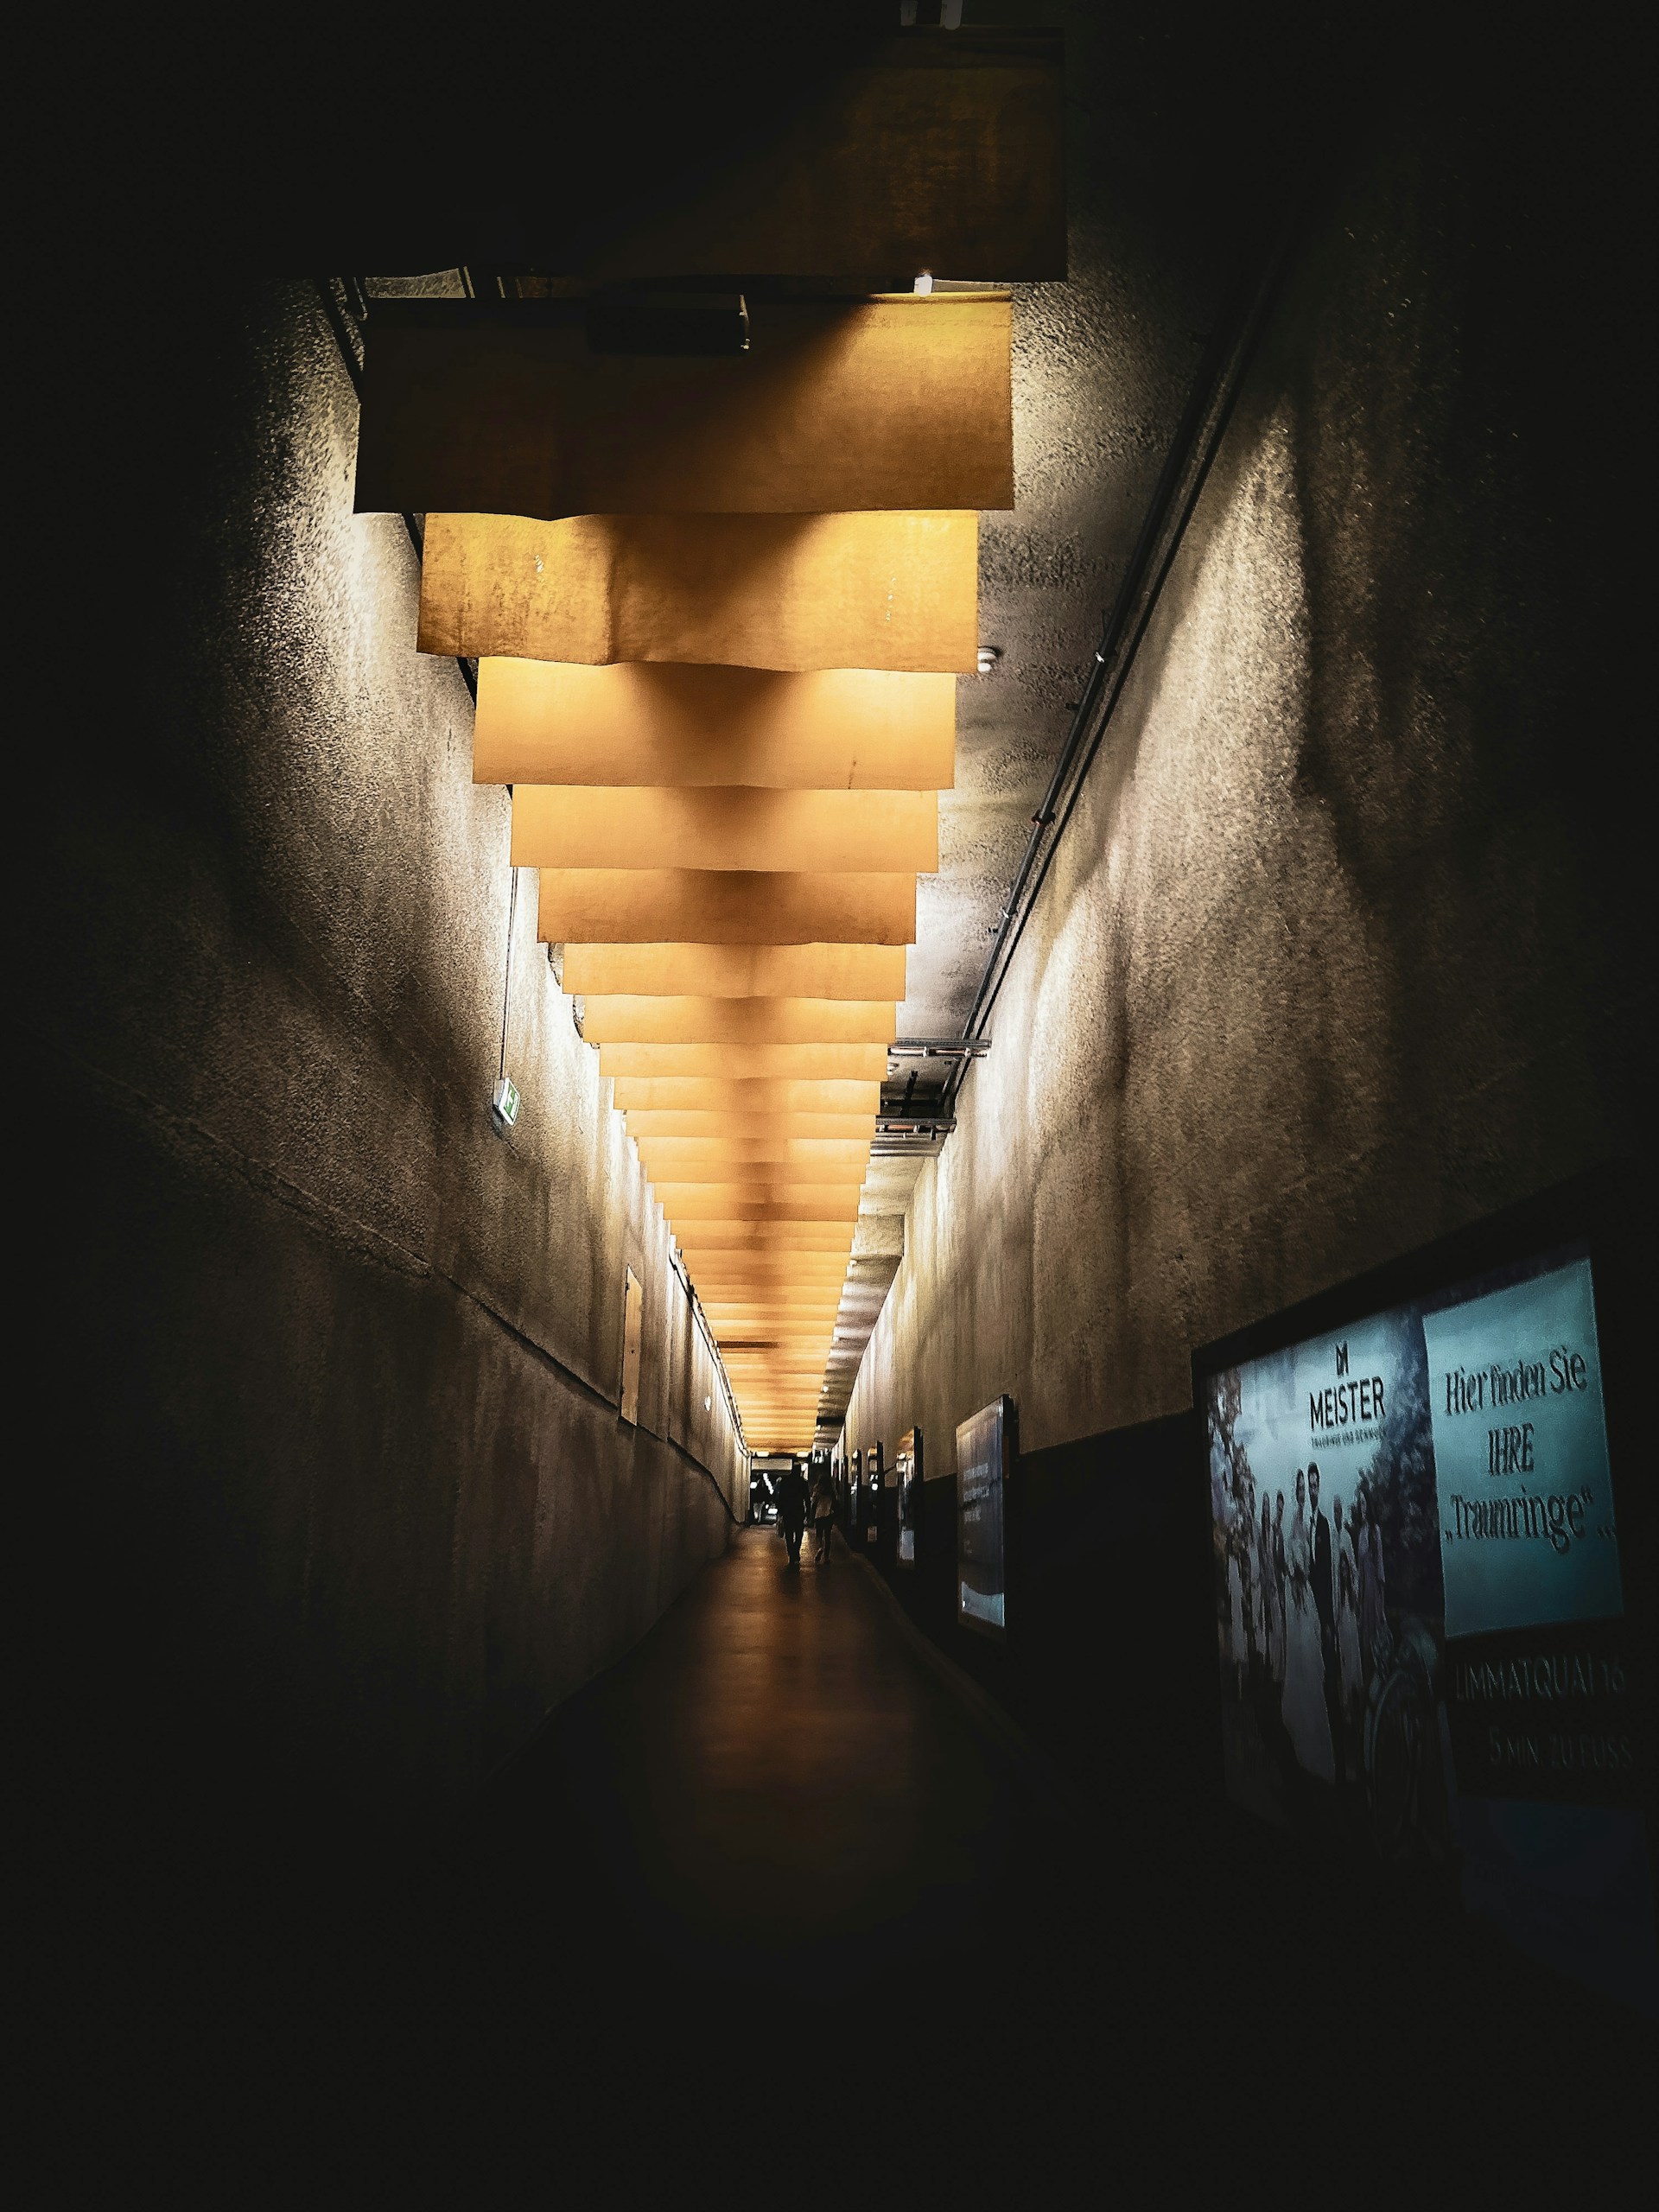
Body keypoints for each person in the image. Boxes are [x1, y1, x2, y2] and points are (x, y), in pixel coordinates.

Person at [1281, 1468, 1334, 1782]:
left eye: (1308, 1488)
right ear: (1297, 1492)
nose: (1304, 1493)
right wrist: (1295, 1575)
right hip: (1297, 1601)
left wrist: (1325, 1618)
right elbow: (1290, 1561)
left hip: (1312, 1604)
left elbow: (1322, 1573)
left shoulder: (1321, 1524)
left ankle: (1315, 1738)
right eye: (1301, 1489)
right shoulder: (1295, 1522)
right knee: (1300, 1661)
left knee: (1313, 1665)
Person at [776, 1461, 807, 1568]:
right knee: (799, 1534)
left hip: (788, 1511)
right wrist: (808, 1512)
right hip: (799, 1511)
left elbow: (781, 1497)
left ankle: (791, 1554)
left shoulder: (785, 1481)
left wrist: (780, 1510)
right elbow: (807, 1498)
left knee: (788, 1535)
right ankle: (796, 1551)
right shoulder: (803, 1482)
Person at [810, 1464, 835, 1564]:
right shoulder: (831, 1490)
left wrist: (811, 1515)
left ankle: (820, 1548)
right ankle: (826, 1558)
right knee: (828, 1536)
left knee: (819, 1535)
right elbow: (835, 1502)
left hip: (819, 1514)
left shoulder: (817, 1489)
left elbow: (814, 1502)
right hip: (829, 1515)